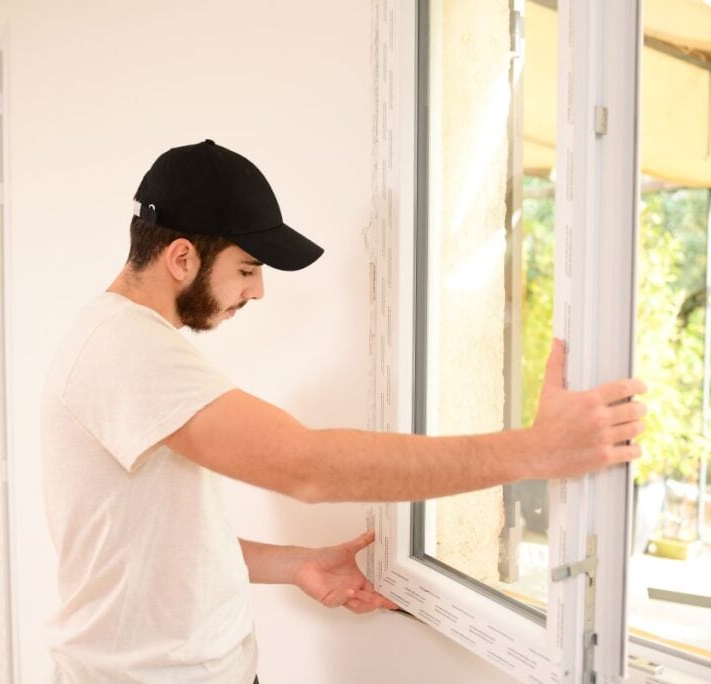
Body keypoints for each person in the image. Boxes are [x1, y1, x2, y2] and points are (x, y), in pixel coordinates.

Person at [41, 139, 648, 683]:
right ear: (181, 258)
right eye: (247, 269)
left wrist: (296, 563)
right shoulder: (126, 348)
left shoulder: (127, 342)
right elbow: (310, 467)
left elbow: (152, 541)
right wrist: (535, 450)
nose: (257, 291)